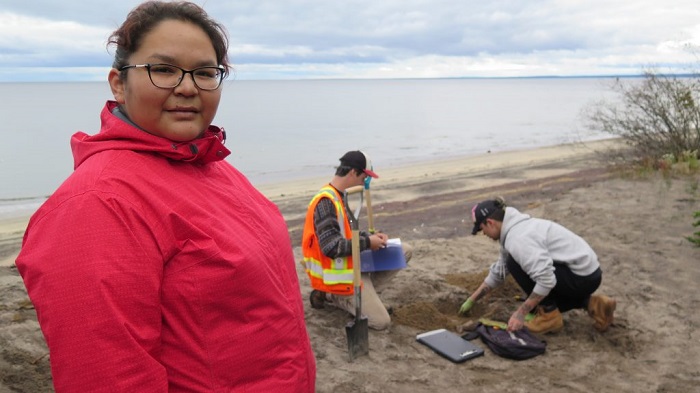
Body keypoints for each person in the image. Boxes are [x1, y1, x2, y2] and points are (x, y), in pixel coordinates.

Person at [15, 2, 315, 391]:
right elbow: (108, 378)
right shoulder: (99, 204)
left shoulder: (211, 166)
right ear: (119, 84)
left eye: (205, 73)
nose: (188, 87)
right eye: (163, 70)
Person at [459, 197, 616, 334]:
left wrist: (520, 313)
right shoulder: (513, 229)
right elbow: (499, 273)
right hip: (588, 273)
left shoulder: (518, 239)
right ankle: (594, 304)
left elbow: (546, 280)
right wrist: (472, 300)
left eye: (482, 229)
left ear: (490, 223)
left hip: (581, 277)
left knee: (516, 265)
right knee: (533, 293)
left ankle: (549, 317)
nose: (483, 234)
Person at [301, 150, 413, 330]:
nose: (365, 182)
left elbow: (346, 233)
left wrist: (369, 237)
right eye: (365, 177)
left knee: (403, 250)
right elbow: (331, 247)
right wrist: (368, 243)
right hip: (339, 279)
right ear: (353, 172)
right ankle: (331, 296)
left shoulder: (339, 196)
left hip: (353, 264)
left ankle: (368, 296)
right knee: (381, 322)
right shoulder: (325, 201)